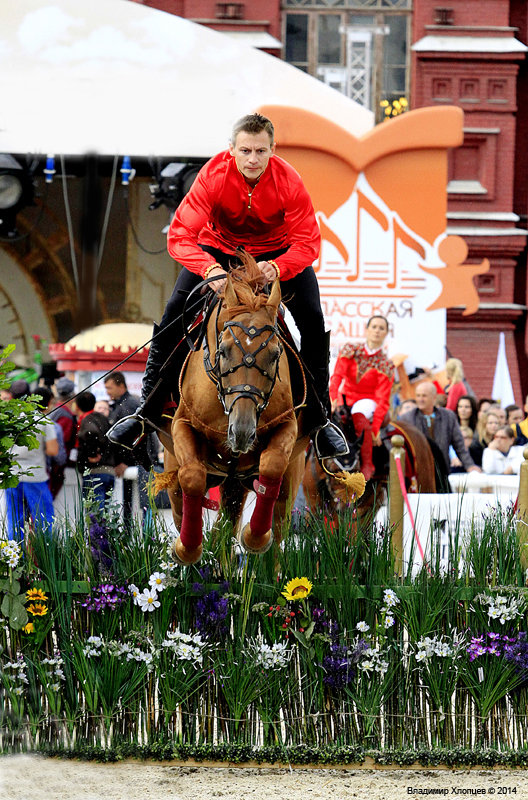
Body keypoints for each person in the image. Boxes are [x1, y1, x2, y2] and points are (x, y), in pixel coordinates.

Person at [107, 112, 348, 462]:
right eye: (246, 150)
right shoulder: (213, 176)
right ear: (231, 149)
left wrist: (278, 267)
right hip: (218, 251)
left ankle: (321, 420)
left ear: (272, 149)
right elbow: (180, 236)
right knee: (174, 311)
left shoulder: (290, 181)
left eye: (261, 151)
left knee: (312, 318)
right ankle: (145, 410)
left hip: (276, 255)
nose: (253, 159)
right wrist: (210, 270)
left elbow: (308, 244)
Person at [329, 315, 394, 479]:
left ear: (386, 333)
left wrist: (376, 428)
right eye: (374, 327)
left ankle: (367, 464)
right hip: (346, 399)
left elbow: (383, 399)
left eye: (381, 328)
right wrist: (333, 398)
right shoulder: (351, 350)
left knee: (359, 412)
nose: (377, 331)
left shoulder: (385, 364)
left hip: (368, 401)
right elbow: (337, 376)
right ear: (366, 330)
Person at [399, 381, 480, 489]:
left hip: (442, 469)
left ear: (434, 398)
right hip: (417, 472)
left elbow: (459, 445)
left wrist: (470, 466)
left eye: (424, 396)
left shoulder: (448, 416)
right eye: (418, 396)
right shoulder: (407, 418)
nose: (420, 399)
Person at [4, 381, 57, 540]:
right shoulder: (41, 420)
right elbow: (53, 450)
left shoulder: (7, 420)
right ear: (30, 397)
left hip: (12, 476)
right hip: (35, 475)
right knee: (43, 519)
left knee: (15, 519)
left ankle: (15, 559)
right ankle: (43, 559)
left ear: (11, 397)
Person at [75, 391, 115, 513]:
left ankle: (98, 533)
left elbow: (91, 433)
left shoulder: (87, 420)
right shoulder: (103, 418)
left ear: (77, 406)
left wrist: (92, 454)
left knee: (95, 515)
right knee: (104, 514)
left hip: (95, 472)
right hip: (109, 471)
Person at [49, 377, 78, 498]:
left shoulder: (54, 411)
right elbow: (60, 444)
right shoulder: (65, 415)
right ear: (73, 395)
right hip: (54, 468)